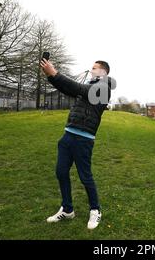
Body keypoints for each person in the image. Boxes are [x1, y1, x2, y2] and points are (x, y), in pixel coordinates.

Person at [40, 58, 115, 229]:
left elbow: (79, 88)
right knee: (61, 172)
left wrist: (55, 73)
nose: (91, 70)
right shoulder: (89, 87)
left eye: (95, 68)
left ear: (103, 72)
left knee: (85, 176)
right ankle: (67, 209)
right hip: (68, 136)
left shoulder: (103, 88)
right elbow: (68, 88)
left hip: (84, 140)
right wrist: (51, 76)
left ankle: (95, 210)